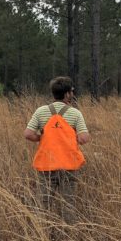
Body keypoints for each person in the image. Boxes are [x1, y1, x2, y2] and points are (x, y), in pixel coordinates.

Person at [24, 76, 90, 223]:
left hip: (46, 165)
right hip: (68, 165)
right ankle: (69, 236)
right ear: (67, 94)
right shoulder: (75, 113)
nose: (72, 94)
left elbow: (28, 134)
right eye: (72, 91)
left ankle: (41, 234)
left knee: (43, 204)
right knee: (68, 204)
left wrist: (43, 138)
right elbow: (84, 138)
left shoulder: (41, 111)